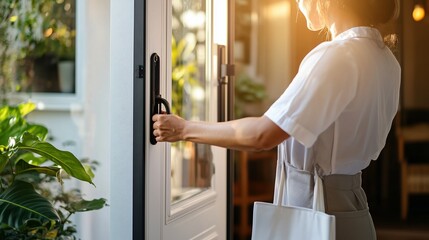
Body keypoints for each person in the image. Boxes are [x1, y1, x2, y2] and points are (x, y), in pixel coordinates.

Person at [153, 0, 400, 239]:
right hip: (353, 207)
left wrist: (183, 129)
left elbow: (262, 134)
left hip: (318, 208)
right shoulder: (386, 60)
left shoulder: (337, 56)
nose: (298, 3)